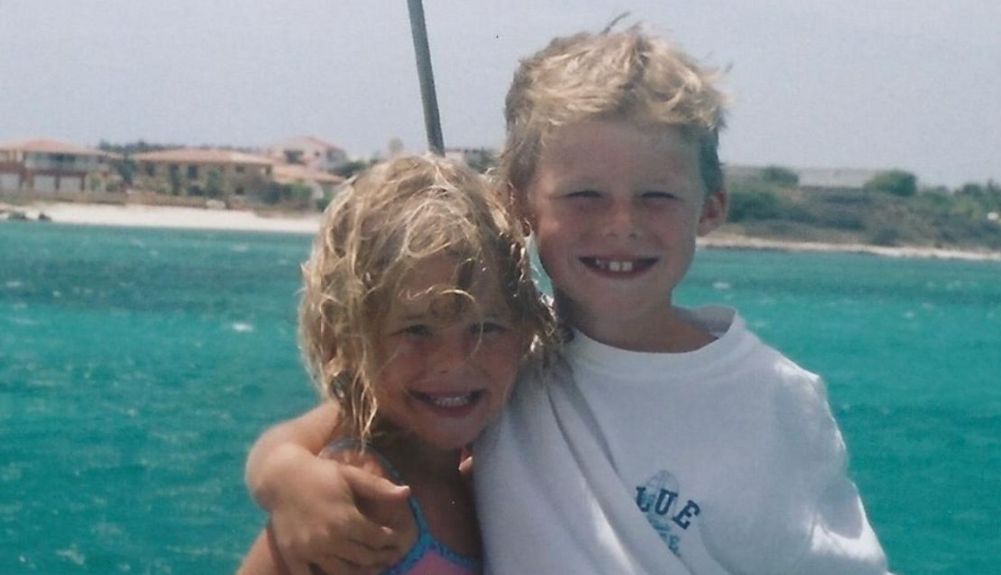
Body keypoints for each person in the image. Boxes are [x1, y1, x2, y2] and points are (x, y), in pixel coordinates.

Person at [245, 25, 892, 574]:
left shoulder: (775, 400)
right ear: (519, 200)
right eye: (585, 195)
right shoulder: (503, 349)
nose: (620, 224)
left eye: (656, 196)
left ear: (713, 203)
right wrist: (285, 477)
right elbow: (329, 417)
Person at [236, 155, 556, 574]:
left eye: (485, 327)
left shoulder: (488, 457)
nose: (453, 361)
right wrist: (282, 475)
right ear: (348, 336)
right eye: (417, 330)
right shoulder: (360, 496)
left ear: (522, 328)